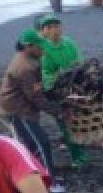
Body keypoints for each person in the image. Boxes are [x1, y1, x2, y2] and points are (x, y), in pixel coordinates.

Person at [0, 31, 62, 192]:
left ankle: (35, 177)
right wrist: (57, 111)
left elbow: (36, 91)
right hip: (18, 110)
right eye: (40, 47)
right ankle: (51, 183)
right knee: (41, 143)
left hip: (24, 105)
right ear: (28, 47)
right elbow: (35, 98)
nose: (43, 50)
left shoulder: (29, 58)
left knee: (30, 144)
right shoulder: (24, 67)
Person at [37, 14, 88, 171]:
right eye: (49, 27)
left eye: (56, 26)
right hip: (56, 93)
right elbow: (46, 75)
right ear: (42, 31)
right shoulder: (42, 50)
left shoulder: (69, 43)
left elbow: (80, 62)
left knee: (80, 122)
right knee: (66, 125)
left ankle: (81, 153)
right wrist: (63, 76)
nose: (54, 30)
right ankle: (78, 158)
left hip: (76, 89)